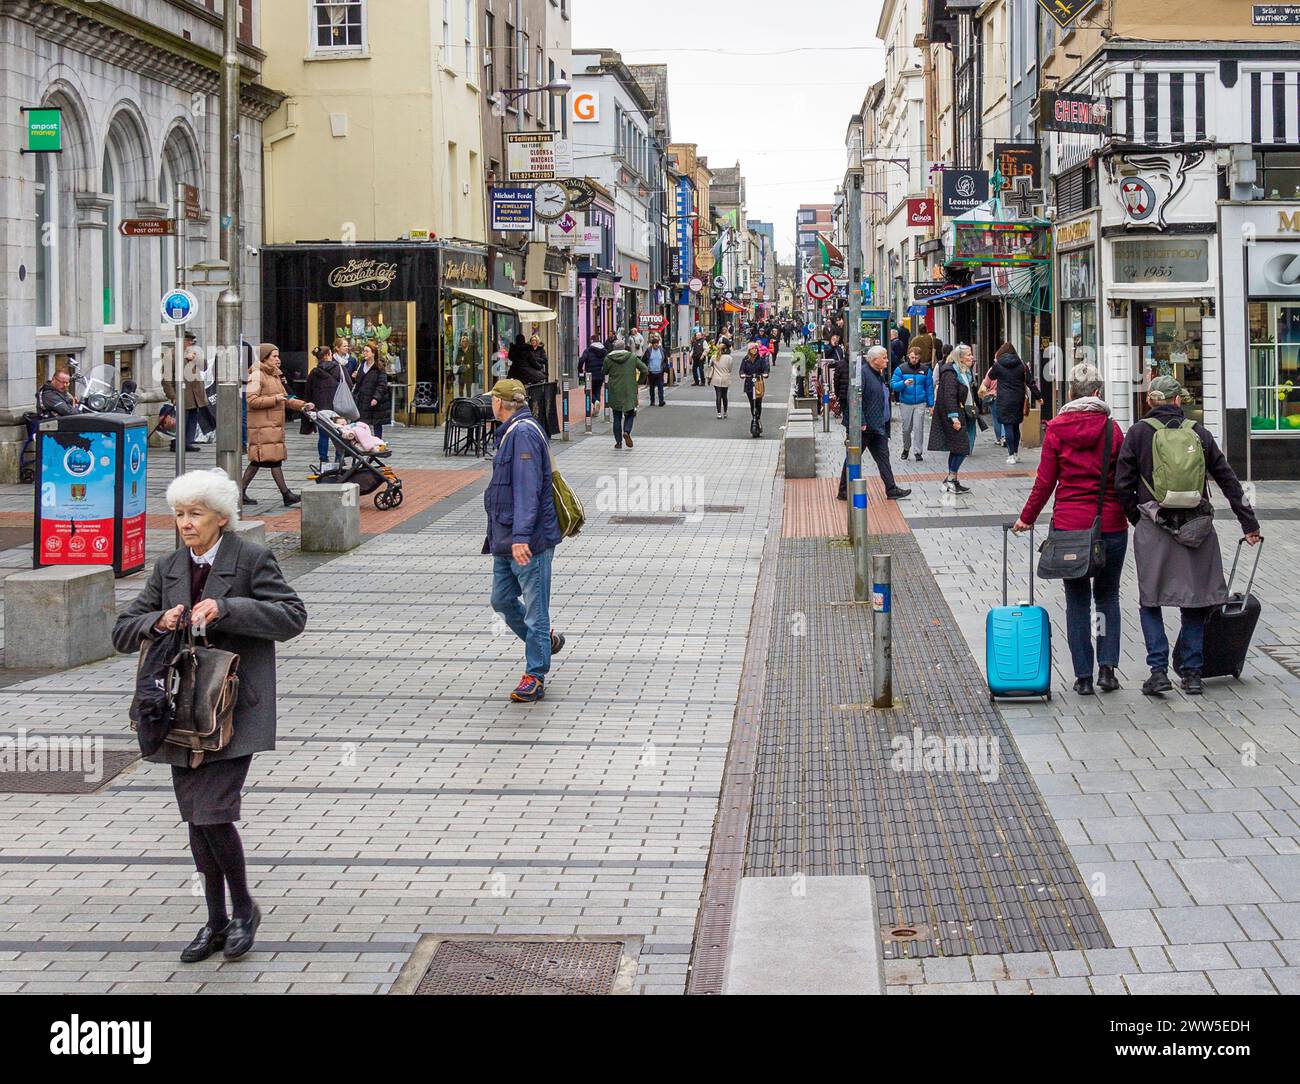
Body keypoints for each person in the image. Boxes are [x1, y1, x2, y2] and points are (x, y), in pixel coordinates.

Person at [113, 469, 307, 962]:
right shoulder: (169, 566)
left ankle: (243, 910)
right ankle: (216, 920)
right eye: (179, 514)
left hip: (234, 709)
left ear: (222, 517)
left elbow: (291, 617)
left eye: (195, 514)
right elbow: (120, 630)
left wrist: (226, 607)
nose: (185, 523)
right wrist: (158, 620)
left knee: (213, 812)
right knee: (195, 820)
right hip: (180, 711)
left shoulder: (251, 558)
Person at [1114, 376, 1262, 697]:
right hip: (1197, 528)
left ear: (1151, 402)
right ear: (1178, 401)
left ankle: (1158, 671)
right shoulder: (1199, 433)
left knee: (1150, 600)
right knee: (1194, 602)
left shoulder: (1138, 433)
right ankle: (1193, 674)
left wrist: (1138, 519)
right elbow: (1228, 480)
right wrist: (1248, 524)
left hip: (1155, 527)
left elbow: (1121, 485)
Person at [1013, 365, 1128, 696]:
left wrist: (1027, 517)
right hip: (1109, 525)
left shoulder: (1057, 429)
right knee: (1107, 595)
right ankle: (1107, 669)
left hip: (1069, 529)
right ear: (1097, 394)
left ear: (1070, 395)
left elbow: (1045, 482)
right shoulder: (1113, 430)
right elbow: (1123, 481)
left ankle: (1083, 677)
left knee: (1077, 598)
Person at [484, 379, 565, 703]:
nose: (490, 404)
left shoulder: (523, 433)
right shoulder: (511, 432)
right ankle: (543, 639)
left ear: (502, 403)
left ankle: (535, 674)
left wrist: (520, 537)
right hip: (505, 536)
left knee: (535, 610)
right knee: (501, 599)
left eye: (493, 400)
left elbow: (528, 489)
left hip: (527, 540)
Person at [242, 344, 313, 507]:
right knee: (269, 460)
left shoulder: (274, 375)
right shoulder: (256, 375)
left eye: (277, 355)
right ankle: (286, 494)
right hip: (262, 427)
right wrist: (275, 399)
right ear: (264, 358)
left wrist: (302, 405)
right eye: (274, 356)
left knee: (264, 461)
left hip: (272, 426)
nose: (277, 359)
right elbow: (251, 400)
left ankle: (242, 491)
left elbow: (285, 398)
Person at [859, 345, 912, 500]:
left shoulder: (877, 374)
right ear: (874, 360)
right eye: (884, 357)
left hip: (878, 426)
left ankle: (891, 489)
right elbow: (856, 398)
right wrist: (861, 421)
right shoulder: (863, 374)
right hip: (866, 426)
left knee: (884, 458)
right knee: (852, 459)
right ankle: (843, 489)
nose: (887, 360)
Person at [929, 343, 976, 494]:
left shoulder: (964, 372)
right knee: (962, 447)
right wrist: (954, 418)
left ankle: (952, 479)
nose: (972, 357)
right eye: (969, 355)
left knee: (959, 447)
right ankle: (950, 479)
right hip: (953, 414)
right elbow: (949, 396)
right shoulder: (951, 372)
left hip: (964, 412)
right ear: (960, 358)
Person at [987, 343, 1041, 465]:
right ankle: (1015, 453)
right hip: (1018, 399)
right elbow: (1030, 382)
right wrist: (1039, 396)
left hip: (1003, 399)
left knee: (1008, 426)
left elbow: (990, 377)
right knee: (1016, 426)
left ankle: (1010, 455)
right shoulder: (1022, 365)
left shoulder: (998, 364)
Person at [305, 346, 350, 465]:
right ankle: (339, 458)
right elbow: (349, 385)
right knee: (340, 433)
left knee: (323, 435)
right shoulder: (339, 369)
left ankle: (323, 459)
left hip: (320, 408)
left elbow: (308, 392)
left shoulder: (314, 372)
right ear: (328, 355)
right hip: (337, 407)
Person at [162, 331, 207, 452]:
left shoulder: (194, 354)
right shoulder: (171, 355)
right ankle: (176, 443)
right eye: (188, 341)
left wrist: (196, 359)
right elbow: (166, 379)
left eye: (192, 342)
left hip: (195, 393)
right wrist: (172, 395)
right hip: (182, 393)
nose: (191, 344)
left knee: (192, 418)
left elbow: (205, 367)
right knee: (180, 420)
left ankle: (187, 442)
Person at [602, 337, 648, 449]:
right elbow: (644, 369)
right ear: (624, 347)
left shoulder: (608, 358)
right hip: (629, 389)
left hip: (615, 390)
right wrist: (639, 381)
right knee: (630, 413)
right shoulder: (632, 357)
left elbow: (604, 371)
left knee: (617, 416)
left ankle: (618, 442)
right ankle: (627, 431)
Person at [891, 346, 934, 462]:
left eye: (916, 357)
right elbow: (894, 384)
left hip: (920, 402)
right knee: (906, 429)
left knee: (918, 427)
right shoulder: (901, 369)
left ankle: (918, 451)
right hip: (906, 402)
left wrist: (930, 405)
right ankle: (906, 448)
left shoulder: (926, 370)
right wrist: (903, 383)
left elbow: (929, 387)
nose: (914, 359)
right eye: (912, 357)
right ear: (908, 356)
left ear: (920, 357)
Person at [353, 343, 390, 439]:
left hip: (374, 400)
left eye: (367, 351)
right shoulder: (361, 365)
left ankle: (377, 445)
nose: (364, 353)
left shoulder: (379, 367)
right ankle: (364, 444)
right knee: (362, 424)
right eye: (363, 351)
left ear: (373, 353)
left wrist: (376, 398)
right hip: (362, 399)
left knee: (377, 424)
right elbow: (358, 383)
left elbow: (382, 384)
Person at [739, 343, 769, 435]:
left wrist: (765, 373)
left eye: (756, 348)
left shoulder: (761, 359)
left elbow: (765, 369)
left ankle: (757, 418)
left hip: (758, 383)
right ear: (749, 350)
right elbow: (741, 370)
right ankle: (754, 418)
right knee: (752, 403)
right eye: (752, 348)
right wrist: (742, 374)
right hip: (749, 384)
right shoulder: (745, 359)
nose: (754, 350)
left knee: (758, 403)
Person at [578, 338, 607, 416]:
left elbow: (581, 360)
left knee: (587, 390)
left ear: (592, 341)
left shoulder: (588, 350)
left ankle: (595, 401)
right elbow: (607, 361)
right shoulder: (604, 351)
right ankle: (596, 410)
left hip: (590, 374)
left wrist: (580, 370)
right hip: (601, 374)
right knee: (597, 390)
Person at [709, 338, 734, 419]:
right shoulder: (729, 358)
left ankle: (719, 413)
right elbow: (730, 369)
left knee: (718, 395)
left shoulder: (714, 357)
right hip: (725, 377)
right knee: (725, 396)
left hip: (716, 378)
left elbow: (710, 366)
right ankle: (725, 412)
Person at [643, 333, 668, 407]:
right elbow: (643, 360)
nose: (657, 345)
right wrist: (646, 369)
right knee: (652, 387)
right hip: (651, 372)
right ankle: (652, 401)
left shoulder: (662, 351)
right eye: (655, 344)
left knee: (660, 387)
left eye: (657, 343)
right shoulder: (648, 351)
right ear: (652, 344)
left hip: (660, 372)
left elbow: (665, 360)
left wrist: (664, 367)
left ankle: (661, 401)